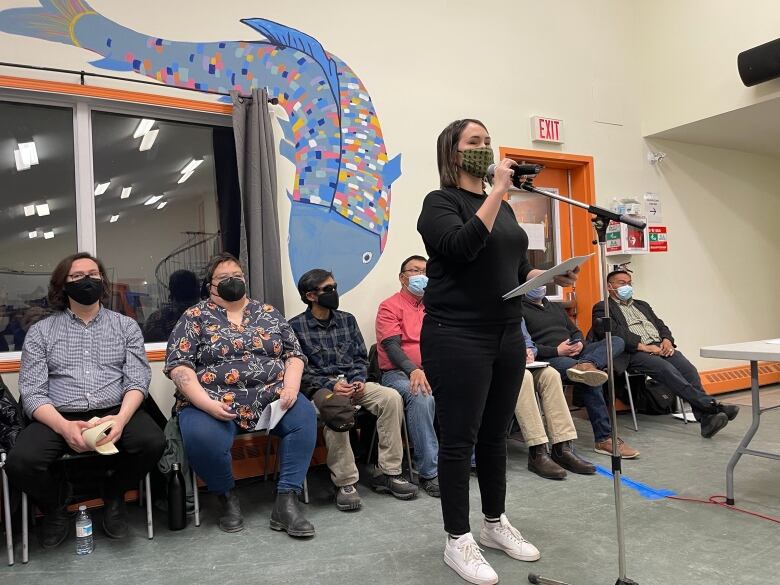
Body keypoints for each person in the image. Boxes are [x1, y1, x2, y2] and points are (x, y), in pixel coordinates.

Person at [417, 118, 579, 585]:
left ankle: (493, 524)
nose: (484, 149)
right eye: (474, 142)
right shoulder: (440, 203)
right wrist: (497, 194)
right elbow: (463, 246)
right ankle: (457, 539)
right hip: (456, 334)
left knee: (493, 435)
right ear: (452, 151)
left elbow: (513, 271)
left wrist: (548, 281)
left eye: (488, 141)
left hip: (507, 333)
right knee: (459, 439)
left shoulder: (502, 209)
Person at [5, 252, 165, 548]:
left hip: (115, 410)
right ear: (62, 286)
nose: (86, 280)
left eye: (92, 274)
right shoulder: (42, 331)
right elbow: (32, 392)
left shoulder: (125, 326)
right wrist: (64, 428)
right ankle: (55, 505)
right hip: (59, 414)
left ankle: (114, 493)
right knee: (20, 462)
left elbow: (137, 381)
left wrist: (120, 419)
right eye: (76, 276)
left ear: (102, 281)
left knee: (153, 442)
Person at [165, 252, 317, 537]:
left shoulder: (268, 313)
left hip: (272, 396)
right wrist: (206, 405)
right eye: (223, 278)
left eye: (237, 276)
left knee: (305, 416)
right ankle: (226, 498)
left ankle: (286, 501)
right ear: (209, 285)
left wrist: (291, 387)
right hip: (211, 400)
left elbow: (294, 354)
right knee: (201, 438)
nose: (232, 282)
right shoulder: (194, 317)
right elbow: (178, 368)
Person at [290, 268, 418, 513]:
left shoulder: (347, 319)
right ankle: (346, 483)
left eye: (335, 287)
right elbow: (300, 371)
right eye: (327, 289)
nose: (334, 293)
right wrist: (332, 385)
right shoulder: (295, 327)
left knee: (390, 397)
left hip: (353, 382)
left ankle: (390, 472)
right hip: (323, 389)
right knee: (337, 410)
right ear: (310, 296)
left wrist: (359, 380)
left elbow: (360, 358)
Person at [592, 269, 739, 438]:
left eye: (629, 283)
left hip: (659, 347)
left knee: (688, 369)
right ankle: (713, 407)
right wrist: (644, 347)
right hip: (634, 352)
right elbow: (614, 333)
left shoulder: (642, 305)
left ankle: (706, 418)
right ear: (610, 287)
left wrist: (667, 339)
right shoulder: (603, 308)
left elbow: (660, 325)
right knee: (667, 370)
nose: (627, 286)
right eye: (622, 283)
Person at [522, 285, 640, 458]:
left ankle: (588, 363)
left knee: (615, 341)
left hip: (576, 353)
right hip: (551, 357)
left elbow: (575, 331)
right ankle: (604, 438)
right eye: (534, 282)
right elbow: (527, 347)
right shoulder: (517, 309)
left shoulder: (555, 307)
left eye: (544, 281)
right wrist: (557, 351)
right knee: (589, 378)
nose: (540, 286)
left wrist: (579, 343)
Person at [375, 254, 439, 497]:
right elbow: (391, 347)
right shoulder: (389, 306)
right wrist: (414, 370)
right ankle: (429, 473)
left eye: (425, 271)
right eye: (415, 270)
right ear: (402, 278)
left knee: (467, 387)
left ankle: (468, 460)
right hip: (398, 373)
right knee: (422, 396)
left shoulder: (435, 306)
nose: (421, 275)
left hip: (434, 370)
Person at [515, 319, 596, 479]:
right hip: (498, 366)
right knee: (523, 378)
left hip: (522, 362)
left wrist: (529, 351)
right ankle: (537, 451)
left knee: (551, 374)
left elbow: (527, 341)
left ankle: (562, 448)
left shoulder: (515, 313)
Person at [143, 269, 200, 342]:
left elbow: (148, 347)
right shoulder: (205, 316)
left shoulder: (156, 318)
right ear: (196, 291)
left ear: (171, 290)